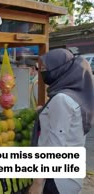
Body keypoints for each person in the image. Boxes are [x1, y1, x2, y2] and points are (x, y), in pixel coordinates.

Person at [29, 48, 94, 194]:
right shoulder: (77, 95)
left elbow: (55, 146)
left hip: (56, 180)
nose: (43, 72)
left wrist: (38, 182)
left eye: (46, 69)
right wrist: (45, 111)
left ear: (60, 70)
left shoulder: (61, 99)